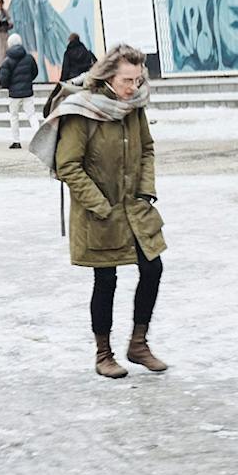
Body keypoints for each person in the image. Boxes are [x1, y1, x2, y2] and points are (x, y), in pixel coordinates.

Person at [33, 43, 167, 378]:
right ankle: (103, 354)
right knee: (105, 279)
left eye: (137, 79)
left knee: (153, 268)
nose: (132, 87)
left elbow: (147, 149)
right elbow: (68, 165)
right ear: (107, 75)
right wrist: (99, 205)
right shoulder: (84, 110)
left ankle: (138, 343)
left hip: (134, 207)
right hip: (99, 211)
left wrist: (145, 191)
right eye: (126, 80)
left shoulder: (134, 107)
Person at [0, 33, 38, 150]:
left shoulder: (7, 61)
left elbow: (4, 79)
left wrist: (8, 86)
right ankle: (39, 137)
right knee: (31, 115)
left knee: (14, 116)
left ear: (9, 45)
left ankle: (16, 141)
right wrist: (27, 81)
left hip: (14, 94)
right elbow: (35, 72)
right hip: (27, 92)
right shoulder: (29, 58)